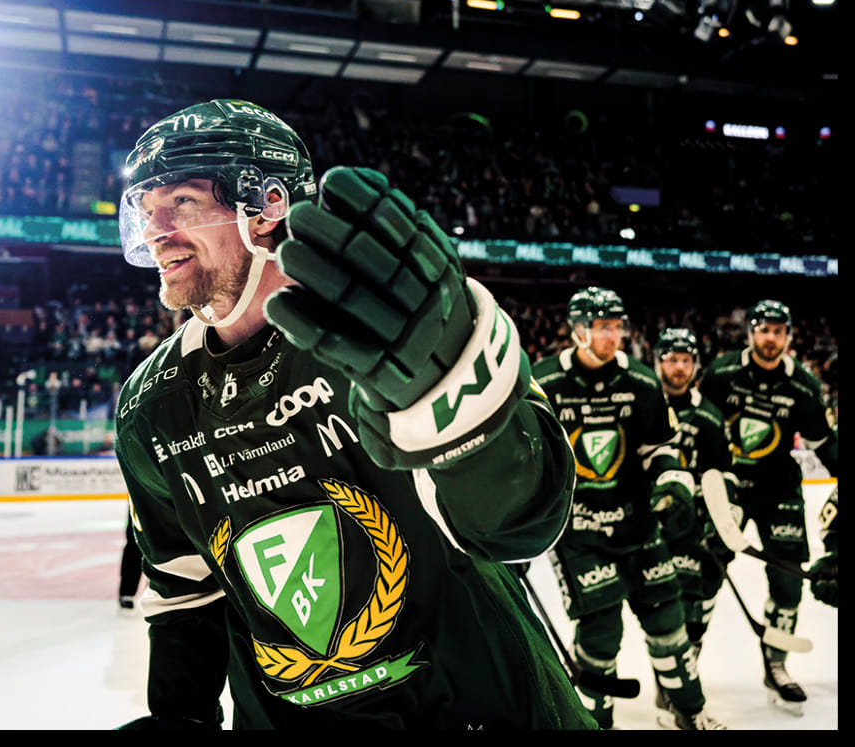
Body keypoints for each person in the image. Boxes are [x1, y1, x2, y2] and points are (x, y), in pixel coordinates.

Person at [111, 99, 594, 730]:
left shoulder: (392, 333)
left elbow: (522, 526)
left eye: (181, 202)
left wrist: (464, 410)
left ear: (268, 204)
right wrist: (183, 716)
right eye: (146, 210)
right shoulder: (151, 404)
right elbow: (184, 589)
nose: (155, 230)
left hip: (479, 708)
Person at [532, 287, 725, 730]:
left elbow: (659, 448)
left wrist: (672, 485)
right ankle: (593, 723)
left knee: (669, 625)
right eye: (603, 327)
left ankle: (689, 712)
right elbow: (529, 458)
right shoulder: (545, 382)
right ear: (578, 329)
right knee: (600, 634)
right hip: (579, 532)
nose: (612, 336)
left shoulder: (640, 381)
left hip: (638, 526)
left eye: (617, 326)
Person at [698, 299, 840, 714]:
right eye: (764, 330)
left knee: (789, 583)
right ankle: (684, 664)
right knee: (704, 574)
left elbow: (824, 445)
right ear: (750, 333)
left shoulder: (804, 386)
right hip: (727, 489)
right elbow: (698, 426)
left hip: (779, 493)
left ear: (789, 337)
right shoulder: (721, 373)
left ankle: (776, 664)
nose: (770, 338)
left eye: (779, 331)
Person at [652, 328, 735, 660]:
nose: (679, 367)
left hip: (694, 525)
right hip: (650, 521)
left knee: (699, 597)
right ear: (657, 362)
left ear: (696, 364)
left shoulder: (709, 415)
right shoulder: (643, 403)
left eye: (686, 360)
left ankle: (688, 655)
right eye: (672, 359)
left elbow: (724, 472)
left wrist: (726, 513)